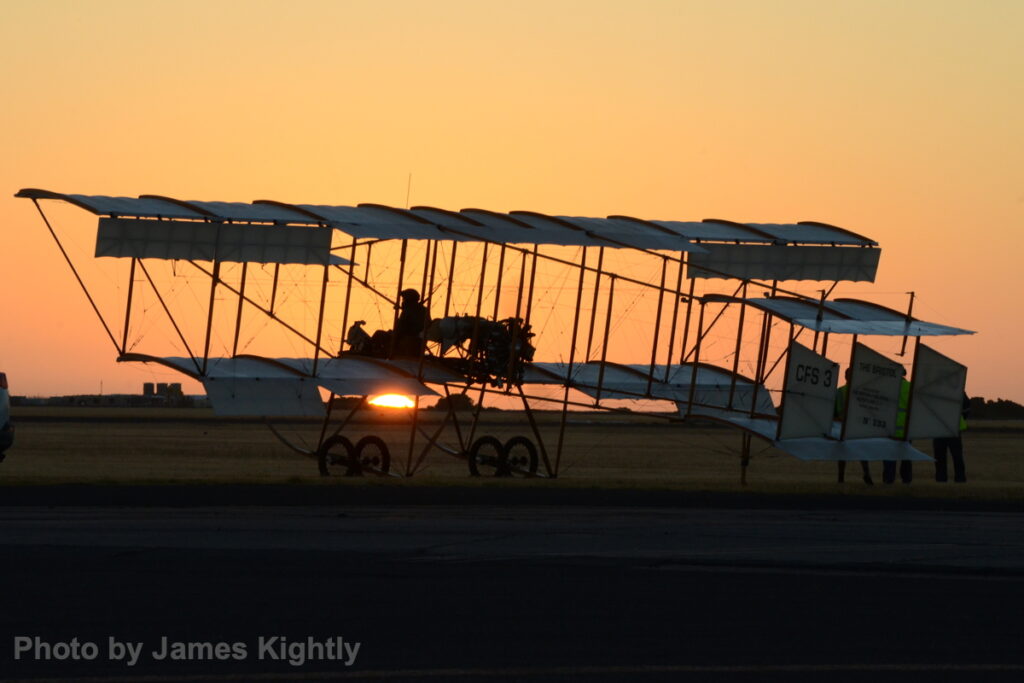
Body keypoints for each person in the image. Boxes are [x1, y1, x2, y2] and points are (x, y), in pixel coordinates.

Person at [835, 368, 873, 485]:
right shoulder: (861, 391)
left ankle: (841, 478)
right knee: (862, 453)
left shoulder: (840, 391)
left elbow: (838, 410)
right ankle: (867, 475)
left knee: (842, 454)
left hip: (844, 425)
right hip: (856, 425)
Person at [882, 369, 913, 484]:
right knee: (906, 456)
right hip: (906, 428)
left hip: (890, 428)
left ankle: (888, 479)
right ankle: (907, 479)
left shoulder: (888, 387)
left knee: (889, 456)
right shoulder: (910, 387)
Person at [934, 393, 969, 483]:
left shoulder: (934, 389)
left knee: (940, 456)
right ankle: (960, 479)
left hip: (939, 427)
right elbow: (966, 408)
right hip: (953, 427)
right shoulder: (957, 388)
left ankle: (941, 479)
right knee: (956, 456)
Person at [392, 289, 429, 357]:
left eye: (403, 299)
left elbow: (400, 329)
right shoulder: (424, 310)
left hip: (408, 340)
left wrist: (392, 333)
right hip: (418, 342)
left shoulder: (408, 310)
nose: (402, 301)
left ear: (408, 300)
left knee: (379, 334)